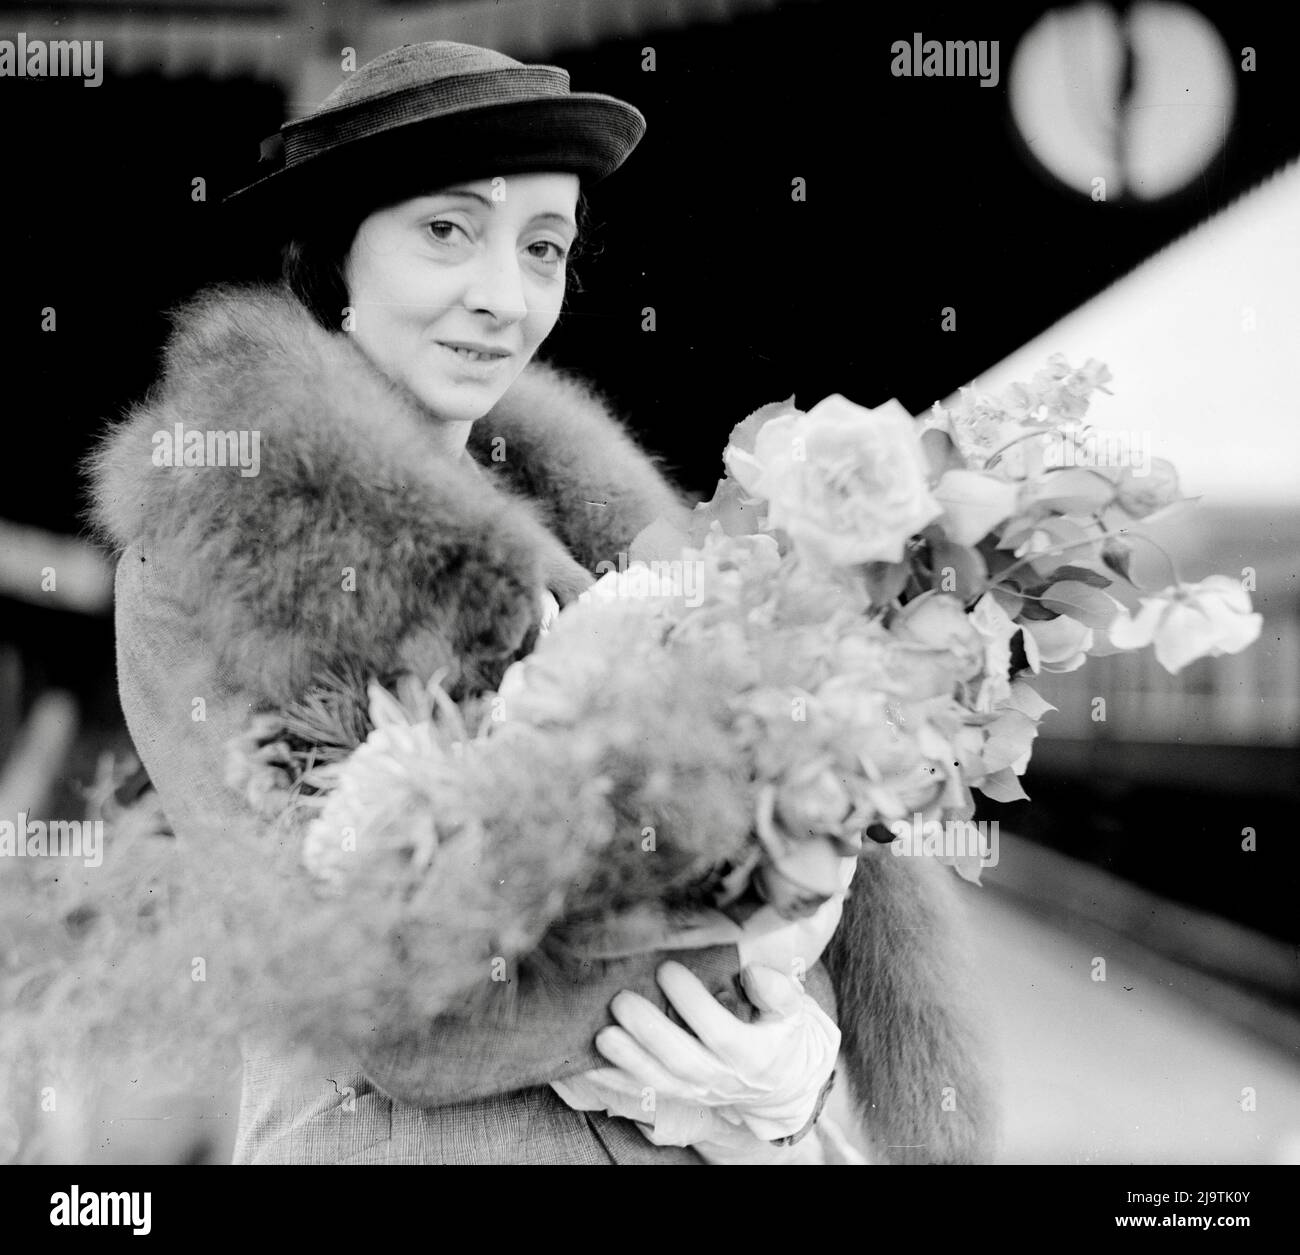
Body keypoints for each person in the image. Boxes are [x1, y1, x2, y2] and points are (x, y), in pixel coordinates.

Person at [87, 41, 994, 1164]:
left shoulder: (627, 550)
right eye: (445, 231)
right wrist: (753, 983)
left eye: (543, 247)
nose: (502, 297)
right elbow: (372, 1011)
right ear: (336, 254)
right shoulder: (208, 558)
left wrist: (792, 1077)